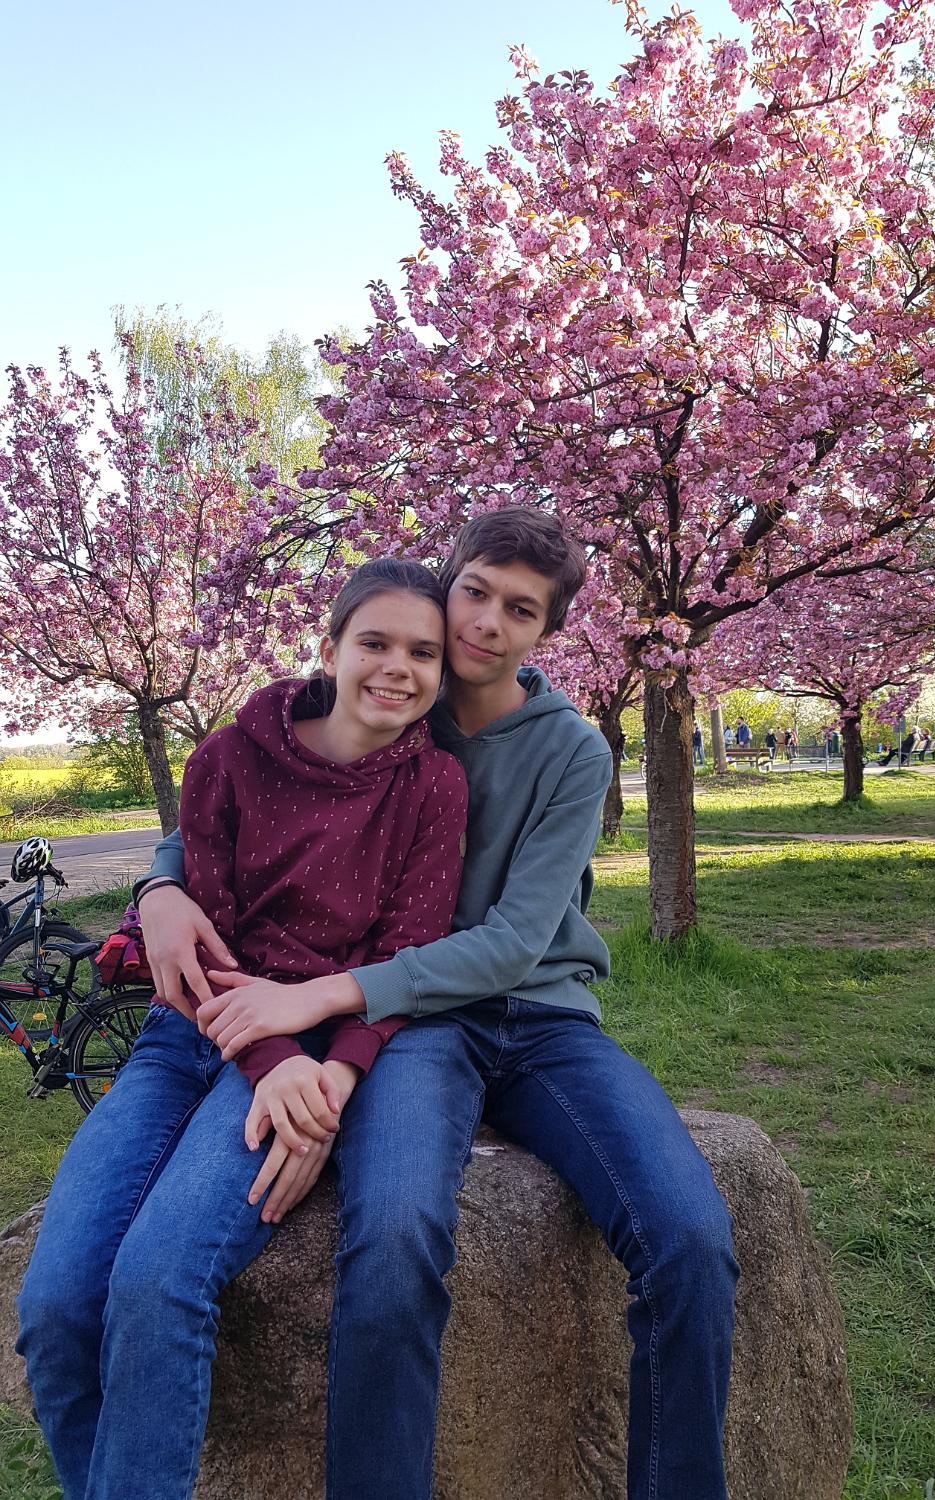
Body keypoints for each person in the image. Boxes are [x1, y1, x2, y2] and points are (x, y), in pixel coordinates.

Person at [119, 508, 739, 1500]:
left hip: (536, 1019)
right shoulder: (394, 690)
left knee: (691, 1238)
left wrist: (322, 995)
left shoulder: (571, 752)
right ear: (444, 586)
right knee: (397, 1232)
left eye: (520, 610)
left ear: (546, 631)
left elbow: (516, 942)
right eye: (475, 593)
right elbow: (246, 787)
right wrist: (160, 885)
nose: (486, 622)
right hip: (417, 1028)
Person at [18, 559, 469, 1500]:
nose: (397, 668)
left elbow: (407, 952)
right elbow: (209, 941)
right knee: (56, 1307)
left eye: (423, 652)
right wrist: (269, 1064)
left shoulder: (434, 784)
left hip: (306, 1043)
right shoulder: (227, 758)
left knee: (158, 1283)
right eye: (374, 642)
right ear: (329, 649)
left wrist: (331, 1078)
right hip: (188, 1036)